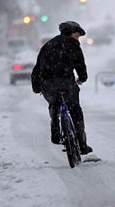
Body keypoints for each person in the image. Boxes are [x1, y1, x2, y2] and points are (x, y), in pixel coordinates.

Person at [31, 21, 93, 155]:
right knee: (75, 109)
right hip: (66, 83)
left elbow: (38, 67)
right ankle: (82, 145)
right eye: (76, 36)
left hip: (48, 85)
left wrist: (37, 87)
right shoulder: (73, 45)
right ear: (70, 33)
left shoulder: (48, 45)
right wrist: (82, 78)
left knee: (54, 103)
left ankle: (55, 130)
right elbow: (80, 64)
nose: (77, 39)